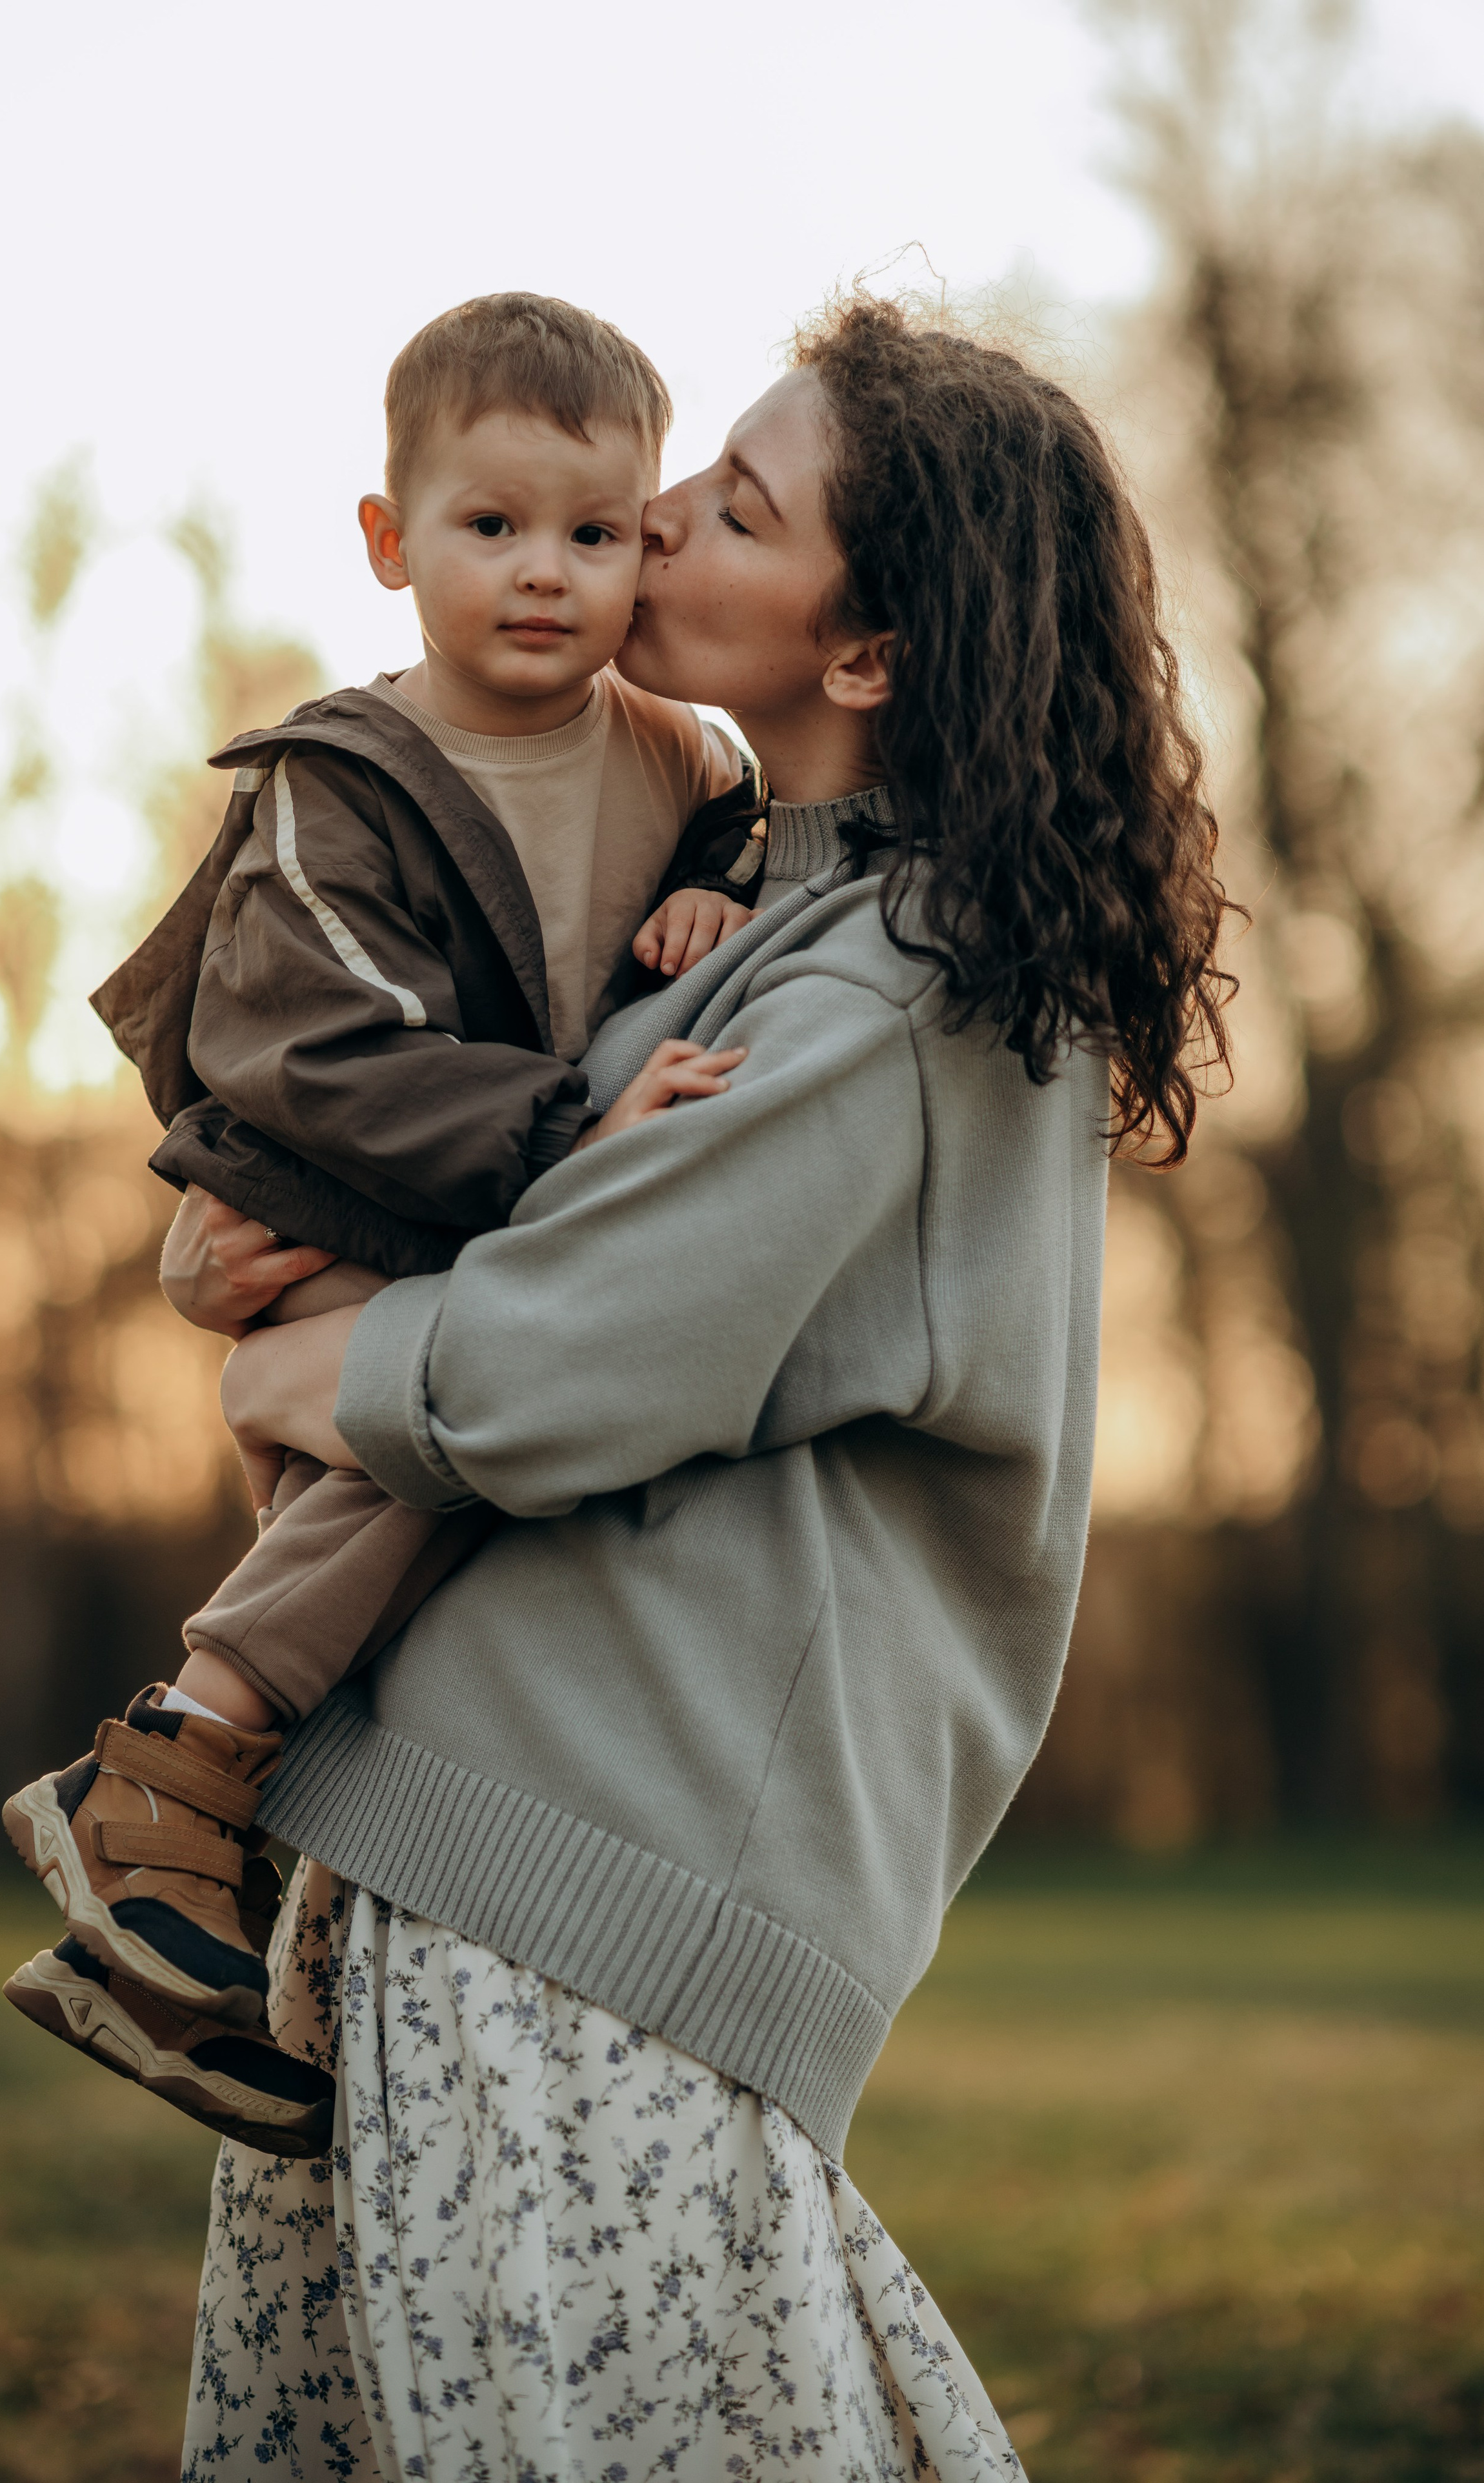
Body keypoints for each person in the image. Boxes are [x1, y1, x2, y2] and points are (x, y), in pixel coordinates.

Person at [171, 294, 1235, 2478]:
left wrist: (283, 1361)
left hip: (597, 1905)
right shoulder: (757, 919)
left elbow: (549, 1365)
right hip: (478, 1857)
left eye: (737, 509)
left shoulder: (903, 989)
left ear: (870, 655)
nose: (650, 520)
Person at [0, 292, 764, 2152]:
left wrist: (715, 893)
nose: (544, 572)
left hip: (487, 1228)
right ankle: (166, 1777)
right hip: (344, 1204)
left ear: (645, 545)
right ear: (387, 541)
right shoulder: (341, 782)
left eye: (595, 532)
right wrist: (573, 1127)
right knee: (450, 1443)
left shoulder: (676, 757)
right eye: (491, 525)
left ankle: (204, 1935)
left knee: (418, 1566)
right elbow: (320, 1049)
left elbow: (752, 823)